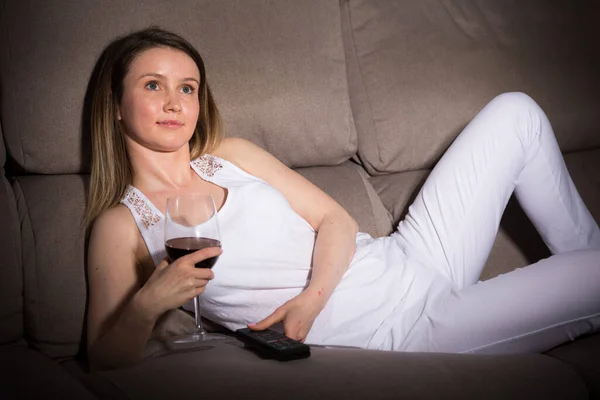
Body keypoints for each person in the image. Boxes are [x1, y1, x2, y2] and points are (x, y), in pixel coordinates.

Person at [85, 27, 600, 370]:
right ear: (115, 105)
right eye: (154, 86)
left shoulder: (232, 153)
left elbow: (334, 217)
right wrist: (150, 301)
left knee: (517, 113)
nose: (175, 102)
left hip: (405, 256)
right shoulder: (123, 224)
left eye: (189, 88)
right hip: (402, 331)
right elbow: (102, 355)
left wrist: (310, 301)